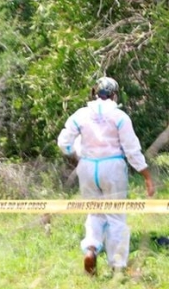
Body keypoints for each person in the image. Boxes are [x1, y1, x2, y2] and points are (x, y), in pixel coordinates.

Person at [57, 76, 155, 274]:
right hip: (112, 167)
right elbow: (132, 150)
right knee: (116, 216)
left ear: (94, 93)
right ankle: (117, 265)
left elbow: (64, 143)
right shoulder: (119, 117)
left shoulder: (81, 114)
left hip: (87, 166)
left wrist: (77, 154)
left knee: (94, 212)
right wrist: (146, 176)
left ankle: (91, 248)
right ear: (114, 94)